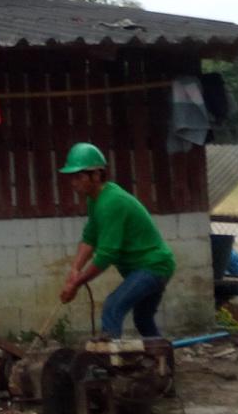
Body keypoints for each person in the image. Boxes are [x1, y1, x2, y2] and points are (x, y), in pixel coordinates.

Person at [57, 142, 177, 338]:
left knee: (112, 307)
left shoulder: (112, 203)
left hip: (152, 267)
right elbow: (90, 237)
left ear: (96, 175)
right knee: (143, 319)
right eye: (72, 177)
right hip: (153, 266)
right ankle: (160, 354)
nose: (73, 182)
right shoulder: (95, 199)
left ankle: (110, 355)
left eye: (79, 176)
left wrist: (77, 283)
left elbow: (106, 255)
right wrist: (75, 269)